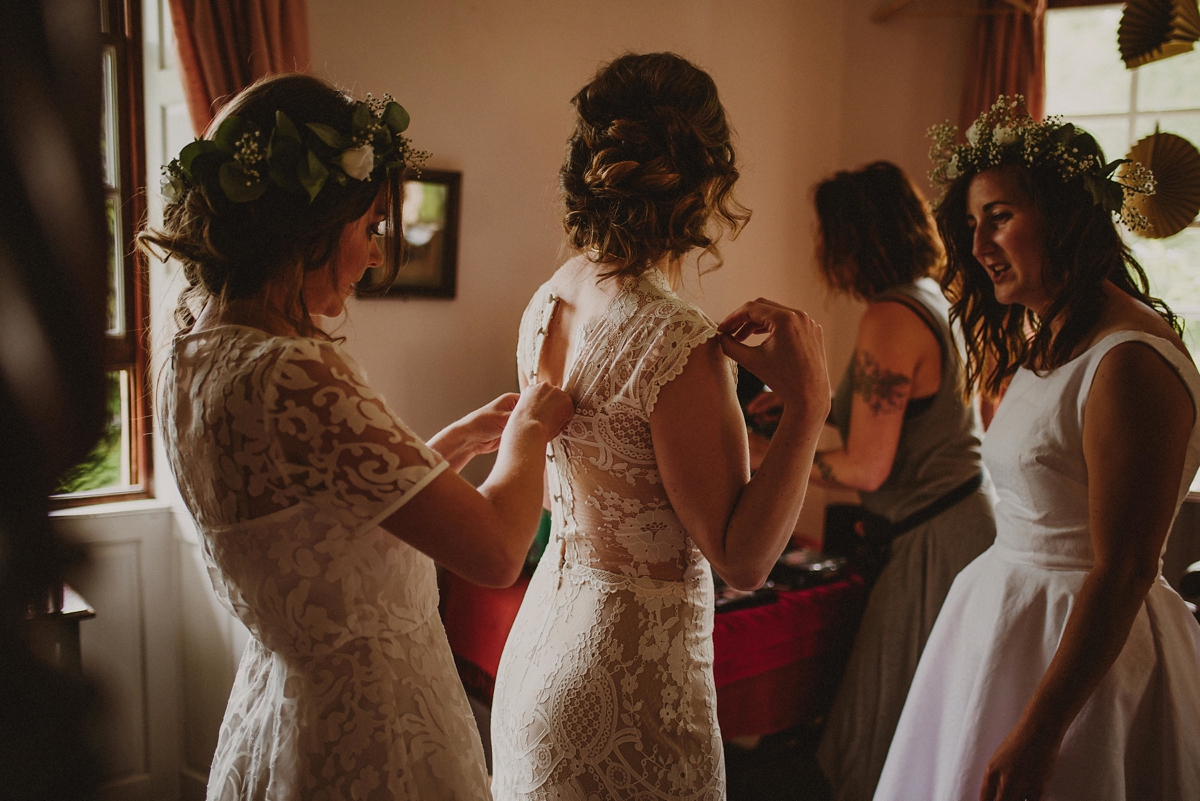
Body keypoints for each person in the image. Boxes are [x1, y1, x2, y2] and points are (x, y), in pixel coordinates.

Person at [142, 73, 574, 800]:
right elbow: (499, 549)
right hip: (373, 735)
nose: (375, 255)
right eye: (368, 228)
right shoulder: (294, 372)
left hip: (283, 711)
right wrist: (528, 431)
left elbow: (315, 528)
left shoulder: (192, 356)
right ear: (305, 225)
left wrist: (452, 446)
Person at [488, 52, 831, 800]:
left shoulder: (551, 297)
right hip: (628, 685)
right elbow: (743, 560)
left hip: (539, 652)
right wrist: (808, 405)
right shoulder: (673, 339)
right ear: (705, 182)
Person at [874, 97, 1200, 801]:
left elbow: (1125, 568)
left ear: (1066, 216)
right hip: (999, 623)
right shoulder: (1045, 336)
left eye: (1000, 217)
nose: (980, 244)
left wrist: (1043, 727)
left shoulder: (1130, 361)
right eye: (971, 225)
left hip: (1083, 659)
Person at [769, 161, 996, 801]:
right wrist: (795, 409)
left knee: (885, 729)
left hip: (935, 547)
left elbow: (868, 467)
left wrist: (774, 462)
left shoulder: (889, 321)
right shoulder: (933, 295)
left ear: (849, 240)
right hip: (964, 525)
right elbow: (895, 419)